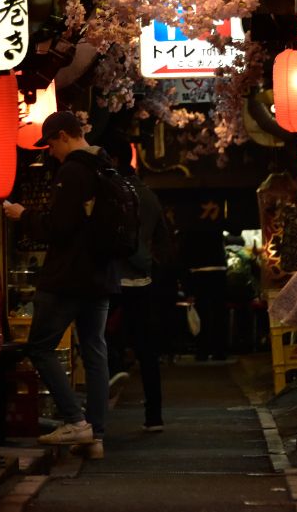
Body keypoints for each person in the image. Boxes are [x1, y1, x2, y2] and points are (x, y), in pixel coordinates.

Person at [2, 111, 118, 458]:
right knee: (96, 351)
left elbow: (60, 227)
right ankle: (95, 435)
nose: (49, 151)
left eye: (51, 143)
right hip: (101, 276)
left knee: (39, 347)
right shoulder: (105, 165)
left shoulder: (74, 171)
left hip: (69, 277)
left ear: (64, 135)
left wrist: (24, 216)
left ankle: (75, 420)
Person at [99, 137, 168, 432]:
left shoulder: (109, 192)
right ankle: (154, 416)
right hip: (143, 279)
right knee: (147, 350)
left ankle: (99, 408)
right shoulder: (149, 195)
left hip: (113, 277)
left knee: (98, 340)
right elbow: (163, 240)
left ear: (113, 159)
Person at [185, 226, 229, 362]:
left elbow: (184, 252)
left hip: (198, 269)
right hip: (218, 267)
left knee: (202, 313)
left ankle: (202, 351)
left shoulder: (189, 219)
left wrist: (188, 286)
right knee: (219, 312)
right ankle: (220, 351)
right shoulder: (218, 212)